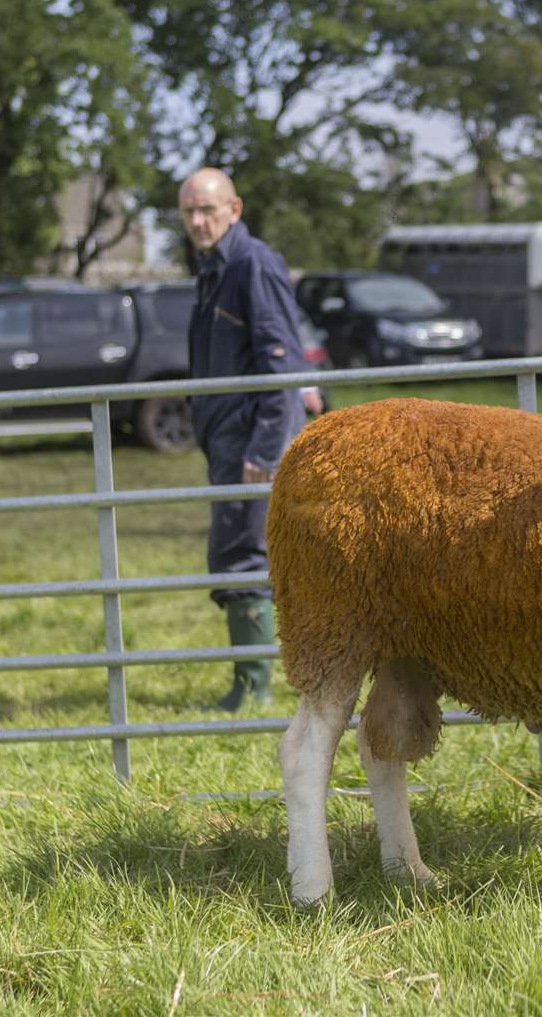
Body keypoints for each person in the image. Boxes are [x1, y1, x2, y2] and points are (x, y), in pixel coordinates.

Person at [180, 167, 311, 711]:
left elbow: (281, 360)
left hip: (253, 443)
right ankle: (255, 678)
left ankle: (254, 688)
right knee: (237, 550)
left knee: (244, 554)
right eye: (188, 211)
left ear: (234, 209)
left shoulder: (251, 263)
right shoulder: (214, 267)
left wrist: (264, 448)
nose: (197, 221)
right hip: (228, 438)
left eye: (207, 209)